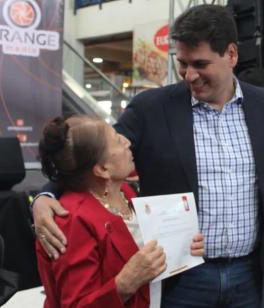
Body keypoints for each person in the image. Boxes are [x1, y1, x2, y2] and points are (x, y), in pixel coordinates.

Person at [32, 5, 264, 308]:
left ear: (231, 55)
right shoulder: (151, 108)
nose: (189, 75)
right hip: (180, 279)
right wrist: (45, 196)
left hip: (251, 274)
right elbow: (94, 157)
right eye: (182, 63)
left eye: (200, 64)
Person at [36, 115, 205, 307]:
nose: (127, 142)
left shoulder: (125, 192)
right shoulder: (73, 220)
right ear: (102, 169)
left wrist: (180, 249)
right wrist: (124, 284)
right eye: (117, 140)